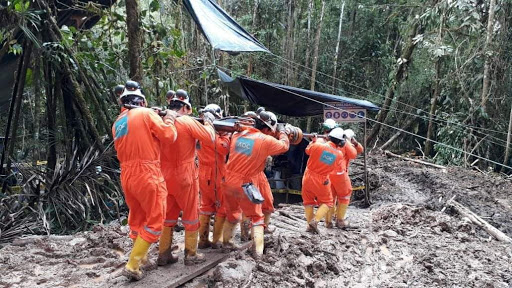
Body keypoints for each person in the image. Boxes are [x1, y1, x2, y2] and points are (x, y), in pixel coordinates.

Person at [112, 82, 177, 281]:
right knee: (156, 221)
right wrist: (170, 119)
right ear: (142, 100)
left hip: (127, 175)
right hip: (147, 173)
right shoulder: (145, 114)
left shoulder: (118, 122)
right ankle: (132, 264)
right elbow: (169, 136)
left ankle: (143, 259)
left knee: (138, 218)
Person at [221, 109, 290, 259]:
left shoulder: (238, 134)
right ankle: (258, 252)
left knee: (232, 213)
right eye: (271, 131)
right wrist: (283, 131)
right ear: (266, 129)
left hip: (228, 180)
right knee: (257, 217)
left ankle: (226, 243)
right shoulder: (265, 140)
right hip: (245, 183)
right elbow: (284, 146)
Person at [158, 89, 216, 266]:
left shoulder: (162, 122)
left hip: (165, 175)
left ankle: (164, 254)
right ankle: (191, 254)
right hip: (185, 174)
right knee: (191, 214)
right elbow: (210, 137)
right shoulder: (187, 122)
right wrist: (209, 123)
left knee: (168, 216)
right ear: (185, 107)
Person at [196, 104, 231, 249]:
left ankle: (203, 240)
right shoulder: (212, 135)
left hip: (203, 174)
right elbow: (223, 149)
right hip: (216, 174)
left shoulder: (199, 130)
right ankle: (216, 240)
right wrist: (226, 136)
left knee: (205, 205)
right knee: (221, 207)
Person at [301, 128, 345, 234]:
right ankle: (315, 221)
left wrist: (313, 140)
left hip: (307, 176)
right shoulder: (339, 154)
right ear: (340, 142)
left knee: (308, 201)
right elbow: (334, 167)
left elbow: (307, 151)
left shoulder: (317, 145)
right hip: (322, 179)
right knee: (328, 202)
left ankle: (309, 226)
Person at [330, 129, 363, 228]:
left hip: (329, 172)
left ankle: (330, 218)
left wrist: (356, 144)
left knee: (331, 196)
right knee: (345, 195)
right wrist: (350, 143)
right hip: (339, 173)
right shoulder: (345, 143)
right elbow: (354, 154)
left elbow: (360, 149)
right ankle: (340, 220)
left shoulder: (330, 143)